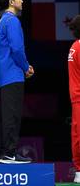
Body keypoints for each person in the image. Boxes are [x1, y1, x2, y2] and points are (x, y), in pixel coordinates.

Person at [0, 0, 34, 164]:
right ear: (11, 2)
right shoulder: (13, 21)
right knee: (12, 115)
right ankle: (9, 153)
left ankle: (6, 152)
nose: (22, 1)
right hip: (12, 73)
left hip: (4, 74)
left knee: (6, 114)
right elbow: (17, 49)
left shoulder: (3, 20)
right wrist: (26, 67)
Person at [68, 15, 80, 183]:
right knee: (78, 135)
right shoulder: (78, 47)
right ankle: (79, 171)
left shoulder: (74, 46)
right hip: (79, 97)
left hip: (76, 97)